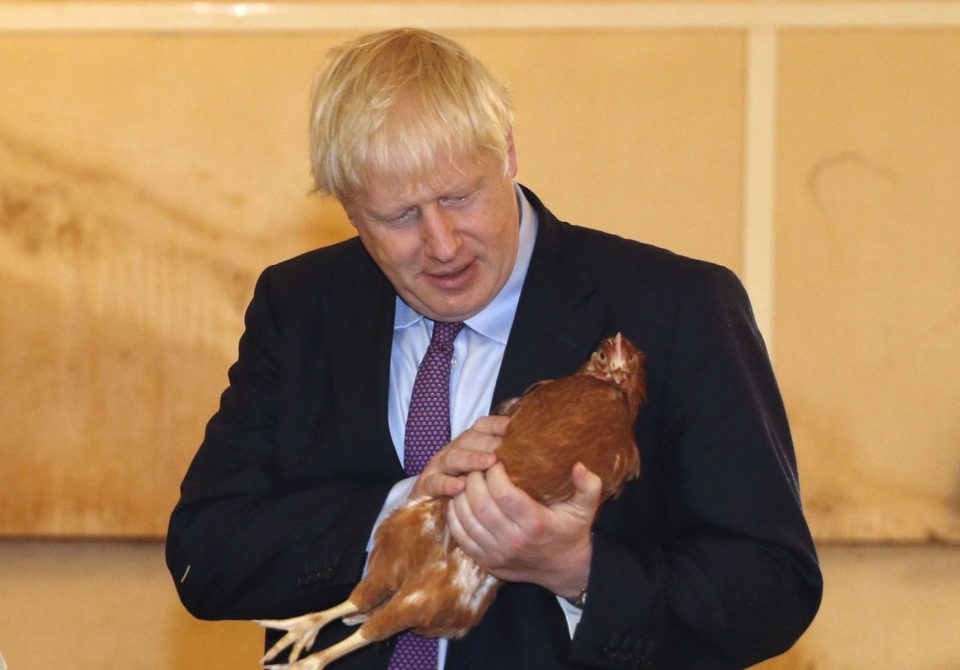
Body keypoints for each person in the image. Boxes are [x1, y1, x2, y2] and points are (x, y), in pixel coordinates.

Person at [167, 28, 822, 669]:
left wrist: (578, 572)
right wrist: (403, 512)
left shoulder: (676, 307)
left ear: (506, 152)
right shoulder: (302, 306)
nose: (443, 243)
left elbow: (772, 586)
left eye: (461, 196)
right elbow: (207, 555)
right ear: (348, 209)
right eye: (398, 217)